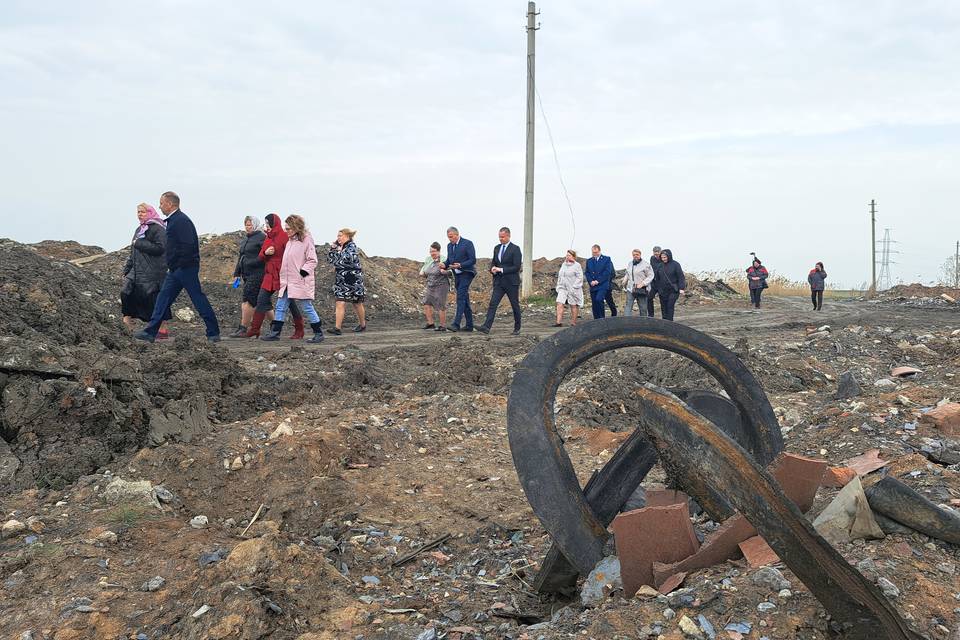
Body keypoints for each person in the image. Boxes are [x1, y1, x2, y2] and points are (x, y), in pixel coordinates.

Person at [135, 192, 220, 342]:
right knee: (163, 299)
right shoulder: (174, 220)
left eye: (161, 203)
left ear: (170, 204)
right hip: (176, 270)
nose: (160, 206)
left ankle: (213, 332)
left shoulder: (181, 221)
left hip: (185, 268)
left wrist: (179, 264)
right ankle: (150, 332)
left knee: (198, 299)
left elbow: (188, 246)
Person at [262, 215, 324, 343]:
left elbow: (312, 260)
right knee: (280, 306)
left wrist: (302, 272)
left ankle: (318, 333)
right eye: (286, 228)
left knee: (306, 306)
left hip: (300, 280)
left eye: (289, 228)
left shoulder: (306, 240)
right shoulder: (290, 241)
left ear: (296, 227)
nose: (287, 231)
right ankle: (275, 332)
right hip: (287, 281)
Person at [244, 213, 303, 338]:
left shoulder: (284, 236)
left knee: (290, 302)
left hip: (283, 273)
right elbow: (260, 256)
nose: (266, 226)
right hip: (270, 274)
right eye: (265, 224)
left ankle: (299, 329)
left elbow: (291, 254)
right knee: (261, 299)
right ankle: (255, 329)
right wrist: (266, 253)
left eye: (268, 223)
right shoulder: (268, 237)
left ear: (274, 223)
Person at [122, 203, 171, 338]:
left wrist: (139, 243)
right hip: (137, 270)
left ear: (150, 213)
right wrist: (126, 270)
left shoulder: (158, 228)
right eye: (138, 212)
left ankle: (162, 328)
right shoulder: (139, 229)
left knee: (153, 298)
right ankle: (127, 323)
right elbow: (133, 252)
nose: (140, 214)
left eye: (143, 212)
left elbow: (160, 248)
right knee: (126, 292)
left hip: (154, 270)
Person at [227, 215, 269, 338]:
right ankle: (275, 326)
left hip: (258, 274)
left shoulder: (262, 238)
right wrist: (236, 274)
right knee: (264, 303)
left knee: (247, 300)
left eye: (250, 225)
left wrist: (252, 262)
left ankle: (243, 328)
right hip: (246, 274)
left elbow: (265, 257)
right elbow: (241, 258)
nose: (247, 227)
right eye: (246, 225)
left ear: (255, 224)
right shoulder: (246, 239)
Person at [478, 227, 522, 335]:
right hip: (499, 282)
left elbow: (516, 267)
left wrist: (501, 269)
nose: (500, 239)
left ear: (508, 236)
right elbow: (494, 262)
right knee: (493, 304)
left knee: (514, 305)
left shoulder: (515, 249)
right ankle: (486, 327)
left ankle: (517, 328)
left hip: (511, 283)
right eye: (499, 237)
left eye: (502, 237)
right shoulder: (497, 248)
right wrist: (492, 269)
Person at [328, 228, 367, 335]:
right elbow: (330, 260)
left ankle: (363, 324)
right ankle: (337, 328)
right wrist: (333, 249)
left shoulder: (352, 247)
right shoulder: (340, 248)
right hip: (341, 279)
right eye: (337, 236)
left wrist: (338, 253)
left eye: (340, 236)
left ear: (347, 236)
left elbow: (346, 259)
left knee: (357, 303)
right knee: (340, 301)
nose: (338, 238)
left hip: (354, 279)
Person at [443, 227, 477, 332]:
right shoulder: (449, 246)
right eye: (448, 237)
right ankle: (469, 325)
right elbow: (449, 260)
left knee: (460, 297)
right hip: (457, 275)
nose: (450, 239)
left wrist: (460, 265)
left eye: (451, 237)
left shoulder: (467, 243)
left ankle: (456, 324)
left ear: (457, 235)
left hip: (467, 273)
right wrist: (444, 264)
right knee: (465, 299)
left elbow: (473, 260)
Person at [419, 242, 451, 331]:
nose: (432, 253)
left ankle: (442, 326)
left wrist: (445, 272)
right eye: (430, 251)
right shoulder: (428, 259)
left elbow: (451, 271)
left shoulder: (444, 259)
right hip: (430, 284)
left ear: (439, 251)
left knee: (441, 304)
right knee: (426, 303)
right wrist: (422, 272)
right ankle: (430, 323)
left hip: (441, 285)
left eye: (434, 251)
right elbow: (424, 269)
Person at [653, 249, 686, 322]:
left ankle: (670, 322)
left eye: (665, 257)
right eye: (662, 257)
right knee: (663, 307)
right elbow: (657, 279)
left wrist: (681, 288)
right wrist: (658, 289)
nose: (664, 259)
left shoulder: (676, 264)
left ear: (669, 256)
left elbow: (681, 277)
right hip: (663, 291)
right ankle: (664, 321)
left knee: (670, 305)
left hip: (673, 290)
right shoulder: (659, 266)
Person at [585, 244, 615, 319]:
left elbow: (607, 272)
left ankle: (602, 318)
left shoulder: (606, 259)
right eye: (593, 252)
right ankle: (596, 319)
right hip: (593, 285)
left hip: (602, 284)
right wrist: (590, 281)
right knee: (594, 303)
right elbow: (587, 272)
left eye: (596, 252)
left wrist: (598, 281)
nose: (594, 254)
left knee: (599, 299)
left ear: (599, 251)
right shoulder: (589, 261)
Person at [621, 249, 654, 316]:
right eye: (634, 255)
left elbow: (651, 275)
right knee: (628, 306)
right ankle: (626, 322)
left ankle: (644, 322)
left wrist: (643, 284)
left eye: (637, 255)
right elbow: (628, 273)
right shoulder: (630, 263)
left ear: (640, 254)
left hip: (641, 289)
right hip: (631, 289)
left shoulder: (646, 264)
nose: (635, 256)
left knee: (643, 308)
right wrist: (624, 281)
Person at [555, 250, 583, 326]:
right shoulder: (564, 264)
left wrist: (575, 286)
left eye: (569, 255)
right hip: (563, 287)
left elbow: (580, 277)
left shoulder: (577, 265)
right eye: (567, 255)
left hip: (572, 288)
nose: (567, 257)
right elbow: (560, 276)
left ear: (573, 256)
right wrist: (558, 285)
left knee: (573, 305)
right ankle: (558, 322)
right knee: (559, 303)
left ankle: (573, 322)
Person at [647, 246, 662, 317]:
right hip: (654, 283)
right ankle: (651, 315)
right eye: (655, 253)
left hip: (662, 283)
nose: (656, 255)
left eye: (658, 253)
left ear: (660, 252)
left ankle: (665, 317)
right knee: (649, 298)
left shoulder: (664, 258)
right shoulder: (652, 258)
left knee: (663, 300)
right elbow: (651, 268)